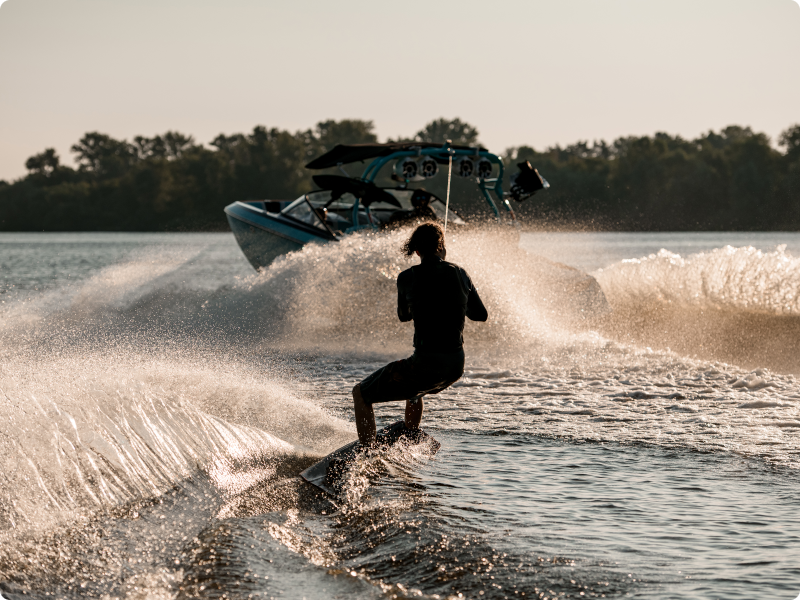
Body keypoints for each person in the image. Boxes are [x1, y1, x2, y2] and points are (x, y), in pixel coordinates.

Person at [352, 222, 488, 446]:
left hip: (426, 365)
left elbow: (404, 316)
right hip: (455, 366)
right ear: (442, 247)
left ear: (416, 250)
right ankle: (410, 433)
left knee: (361, 393)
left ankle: (367, 454)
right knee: (414, 388)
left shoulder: (407, 277)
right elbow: (480, 315)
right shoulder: (461, 273)